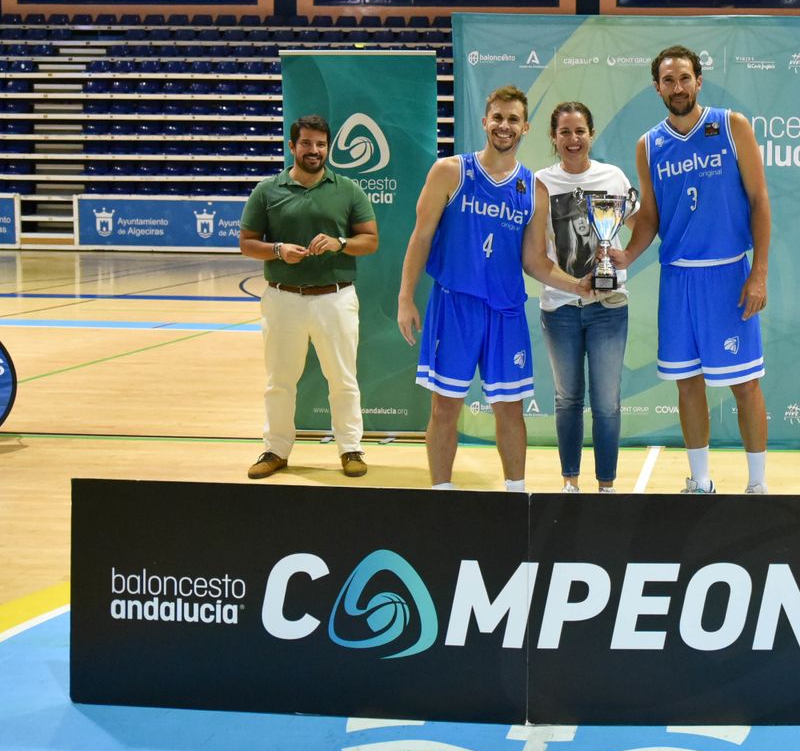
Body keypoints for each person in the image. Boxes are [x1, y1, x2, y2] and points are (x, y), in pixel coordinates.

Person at [397, 86, 591, 491]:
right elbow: (420, 237)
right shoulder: (450, 171)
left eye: (513, 120)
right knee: (445, 407)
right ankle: (442, 494)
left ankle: (514, 496)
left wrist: (580, 286)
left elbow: (535, 261)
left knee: (510, 411)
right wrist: (405, 297)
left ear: (526, 128)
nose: (505, 126)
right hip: (455, 306)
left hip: (505, 313)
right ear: (485, 122)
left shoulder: (533, 190)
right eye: (498, 118)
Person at [618, 44, 772, 495]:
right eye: (668, 80)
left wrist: (758, 272)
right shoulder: (649, 144)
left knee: (745, 385)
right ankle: (700, 481)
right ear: (657, 87)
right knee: (688, 384)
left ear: (699, 80)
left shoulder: (731, 126)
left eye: (684, 77)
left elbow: (760, 200)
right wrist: (626, 256)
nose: (678, 87)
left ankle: (758, 485)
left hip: (728, 274)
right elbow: (649, 218)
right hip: (678, 278)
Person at [239, 114, 379, 480]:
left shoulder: (348, 189)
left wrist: (341, 243)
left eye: (320, 144)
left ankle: (351, 448)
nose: (313, 150)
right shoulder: (267, 190)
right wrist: (278, 250)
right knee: (279, 381)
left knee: (343, 378)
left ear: (328, 147)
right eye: (306, 143)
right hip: (282, 298)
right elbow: (247, 243)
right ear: (292, 146)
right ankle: (276, 449)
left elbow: (371, 240)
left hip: (336, 298)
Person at [530, 101, 634, 493]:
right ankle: (570, 483)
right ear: (554, 138)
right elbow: (535, 254)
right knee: (567, 399)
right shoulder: (540, 182)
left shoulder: (614, 177)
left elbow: (640, 223)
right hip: (559, 309)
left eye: (580, 131)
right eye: (564, 132)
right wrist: (572, 285)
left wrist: (627, 255)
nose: (573, 140)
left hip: (608, 308)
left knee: (606, 402)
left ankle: (606, 486)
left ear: (591, 133)